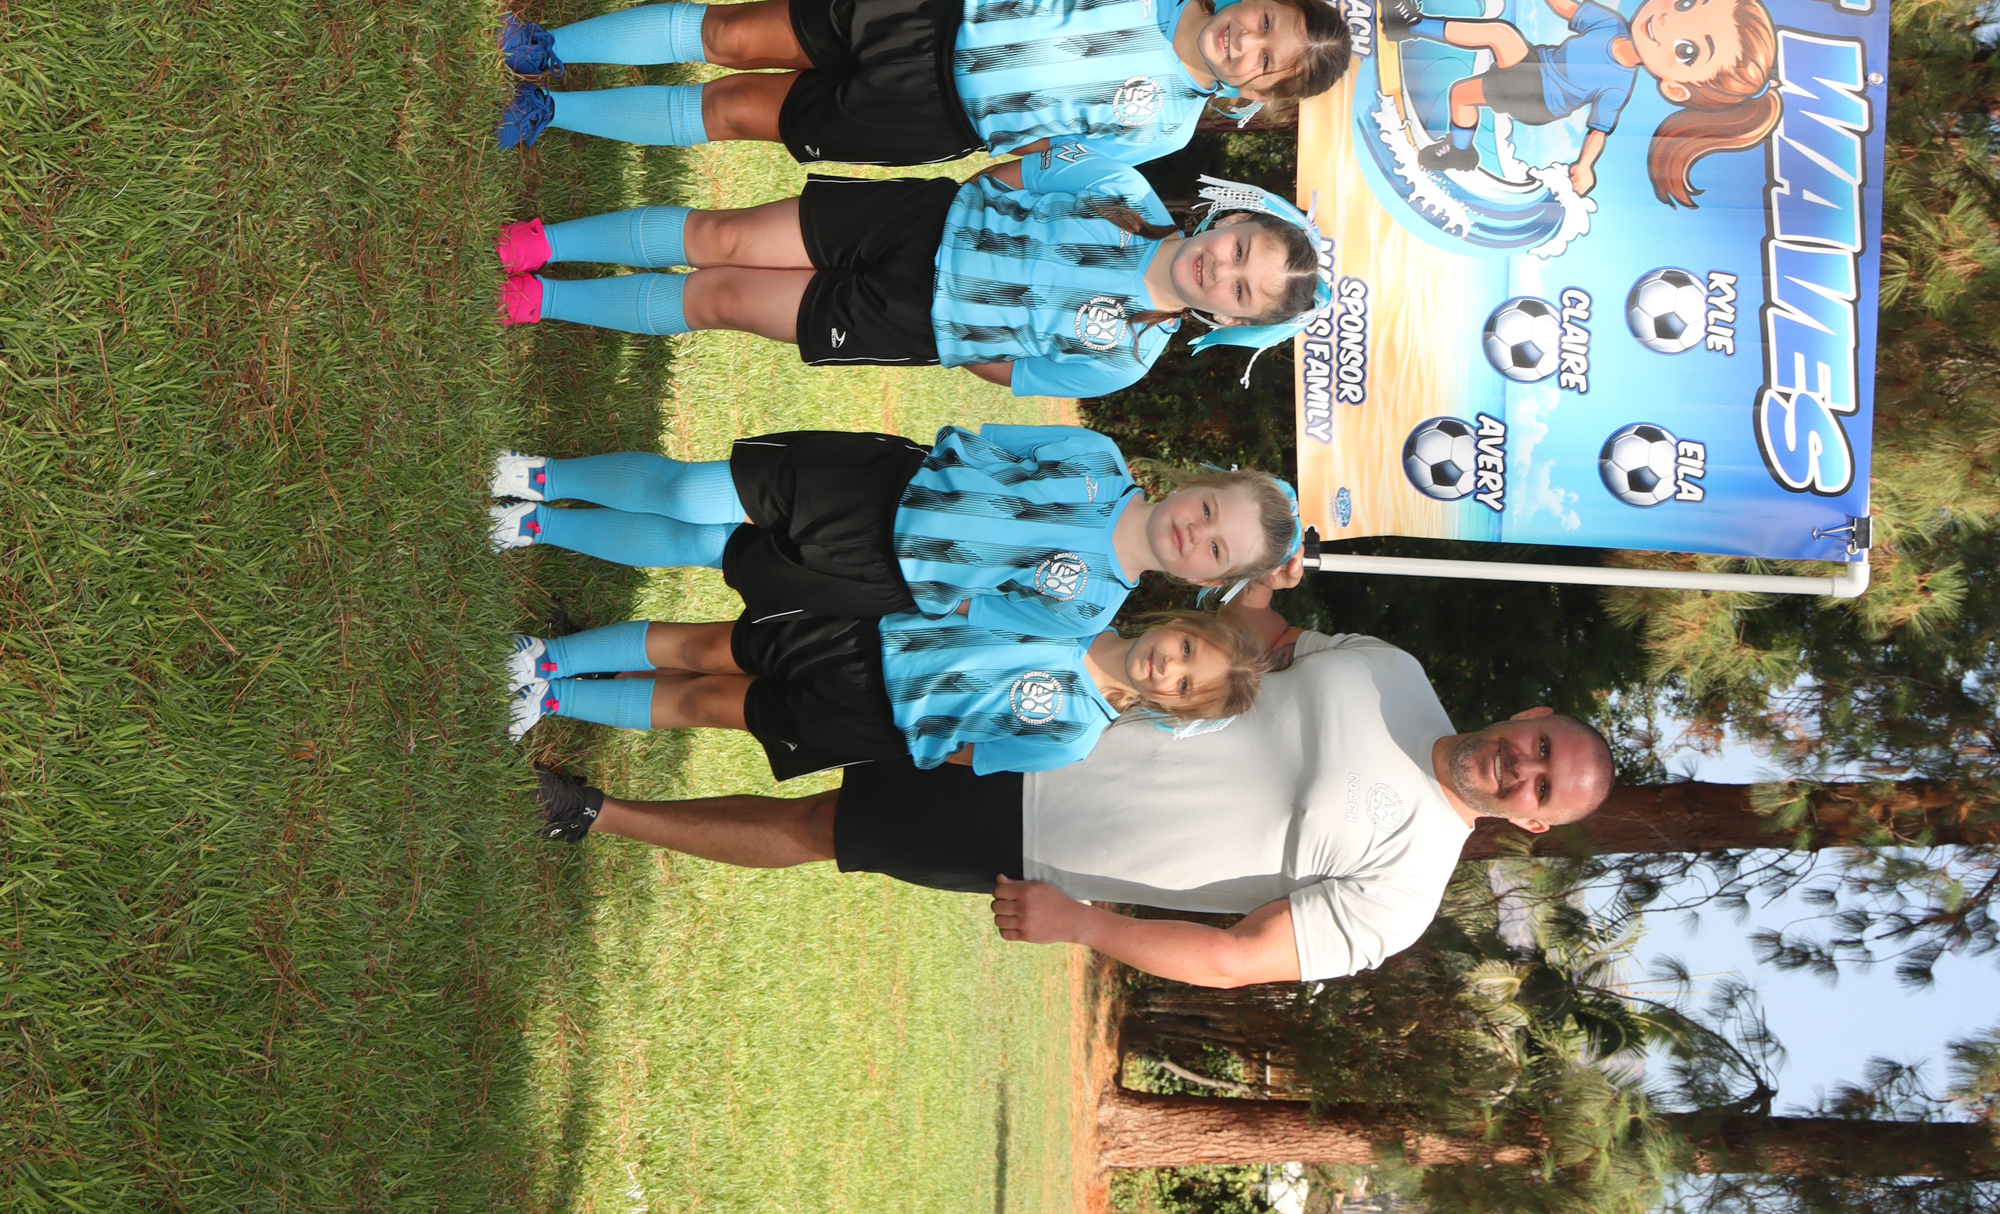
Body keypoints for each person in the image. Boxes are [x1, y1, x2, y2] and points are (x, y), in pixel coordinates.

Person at [528, 585, 1618, 990]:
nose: (1522, 768)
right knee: (827, 685)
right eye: (1539, 746)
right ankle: (592, 669)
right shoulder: (1396, 673)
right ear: (1527, 715)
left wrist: (1084, 923)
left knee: (825, 824)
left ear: (1529, 823)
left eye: (1540, 789)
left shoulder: (1406, 890)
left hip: (1034, 827)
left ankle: (595, 811)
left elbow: (1237, 958)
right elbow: (1266, 643)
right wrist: (1251, 573)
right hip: (1055, 702)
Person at [490, 169, 1330, 403]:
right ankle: (544, 242)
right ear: (1231, 220)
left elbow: (1015, 371)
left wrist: (949, 332)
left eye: (1240, 291)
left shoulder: (1127, 359)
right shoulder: (1125, 189)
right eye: (1240, 250)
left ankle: (543, 300)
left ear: (1232, 319)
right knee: (724, 236)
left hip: (909, 321)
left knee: (725, 299)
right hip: (914, 224)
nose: (1221, 269)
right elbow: (1018, 173)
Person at [488, 0, 1351, 174]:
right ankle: (552, 46)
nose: (1246, 41)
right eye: (1263, 22)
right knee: (734, 36)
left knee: (737, 111)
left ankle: (550, 115)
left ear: (1260, 93)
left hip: (934, 117)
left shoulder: (1165, 126)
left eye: (1266, 61)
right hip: (925, 11)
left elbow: (1047, 164)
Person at [484, 424, 1304, 620]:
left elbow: (981, 615)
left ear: (1207, 582)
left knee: (704, 548)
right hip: (876, 486)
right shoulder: (1095, 456)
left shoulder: (1090, 610)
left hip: (878, 579)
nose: (1195, 533)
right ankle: (540, 478)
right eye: (1209, 510)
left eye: (1216, 551)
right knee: (695, 494)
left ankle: (536, 529)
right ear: (1200, 484)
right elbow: (985, 445)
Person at [502, 590, 1276, 784]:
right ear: (1181, 623)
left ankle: (552, 698)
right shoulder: (1083, 607)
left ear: (1172, 708)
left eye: (1183, 684)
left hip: (871, 716)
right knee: (705, 648)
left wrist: (905, 729)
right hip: (860, 637)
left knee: (705, 703)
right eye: (1184, 649)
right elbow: (974, 600)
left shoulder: (1073, 738)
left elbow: (971, 755)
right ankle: (547, 657)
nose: (1167, 667)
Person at [1382, 0, 1781, 204]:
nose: (1666, 20)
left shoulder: (1618, 84)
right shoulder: (1611, 24)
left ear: (1676, 89)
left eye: (1687, 50)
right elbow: (1572, 11)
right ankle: (1460, 151)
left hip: (1539, 97)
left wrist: (1585, 166)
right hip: (1536, 63)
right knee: (1462, 92)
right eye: (1686, 3)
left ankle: (1409, 26)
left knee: (1498, 38)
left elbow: (1598, 130)